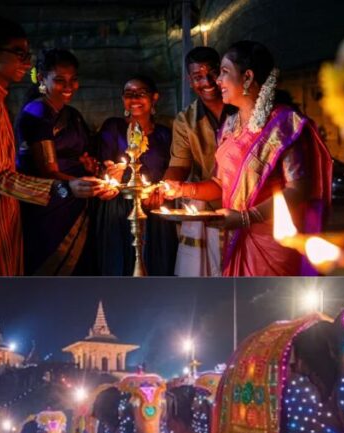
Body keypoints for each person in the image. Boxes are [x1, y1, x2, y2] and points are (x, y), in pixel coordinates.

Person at [0, 14, 100, 276]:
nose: (26, 63)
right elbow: (1, 177)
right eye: (20, 54)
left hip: (0, 214)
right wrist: (64, 188)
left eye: (27, 55)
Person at [164, 41, 332, 276]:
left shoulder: (284, 125)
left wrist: (247, 217)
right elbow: (220, 185)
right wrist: (182, 189)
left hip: (273, 242)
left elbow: (299, 189)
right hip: (236, 237)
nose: (217, 81)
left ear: (247, 77)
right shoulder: (230, 126)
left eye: (224, 72)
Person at [151, 47, 238, 276]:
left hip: (243, 205)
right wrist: (167, 187)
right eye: (198, 77)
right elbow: (179, 164)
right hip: (205, 207)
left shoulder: (243, 110)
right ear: (190, 82)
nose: (207, 82)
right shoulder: (185, 120)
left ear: (223, 73)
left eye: (212, 73)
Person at [14, 48, 102, 275]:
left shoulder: (72, 115)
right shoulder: (37, 112)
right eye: (60, 80)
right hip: (50, 203)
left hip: (75, 201)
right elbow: (47, 170)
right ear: (42, 78)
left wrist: (89, 166)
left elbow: (80, 153)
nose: (69, 87)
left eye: (73, 80)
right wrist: (76, 184)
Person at [95, 74, 176, 276]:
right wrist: (110, 172)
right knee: (120, 263)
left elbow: (173, 170)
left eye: (141, 93)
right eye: (129, 94)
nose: (134, 99)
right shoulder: (113, 127)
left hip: (154, 205)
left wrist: (160, 191)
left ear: (154, 98)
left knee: (156, 263)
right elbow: (103, 166)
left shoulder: (165, 134)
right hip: (119, 207)